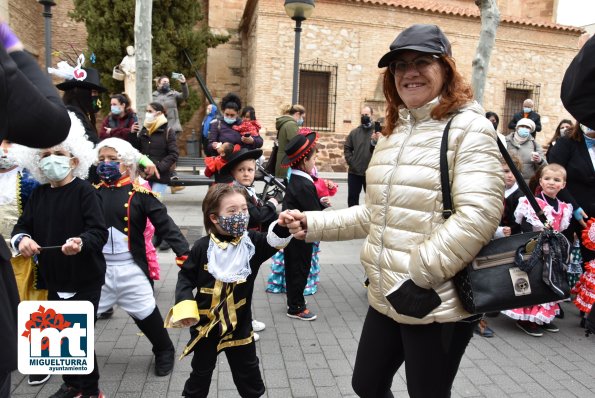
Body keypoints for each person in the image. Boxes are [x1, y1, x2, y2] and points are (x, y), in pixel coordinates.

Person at [280, 24, 505, 397]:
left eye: (422, 62)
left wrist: (418, 274)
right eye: (400, 65)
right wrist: (312, 223)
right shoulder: (395, 132)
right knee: (366, 384)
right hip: (387, 293)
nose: (409, 72)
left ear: (446, 69)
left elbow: (478, 215)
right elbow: (376, 214)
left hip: (435, 300)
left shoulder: (470, 128)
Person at [11, 112, 108, 398]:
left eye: (59, 153)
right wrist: (22, 239)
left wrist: (81, 242)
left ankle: (90, 391)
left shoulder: (85, 192)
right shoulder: (39, 195)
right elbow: (22, 225)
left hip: (85, 278)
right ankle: (71, 384)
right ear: (37, 162)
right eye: (45, 155)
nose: (52, 159)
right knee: (58, 338)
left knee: (79, 338)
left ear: (75, 159)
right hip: (53, 279)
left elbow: (98, 231)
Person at [164, 184, 292, 398]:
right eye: (232, 211)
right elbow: (186, 277)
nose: (241, 215)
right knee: (200, 376)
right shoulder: (202, 247)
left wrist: (283, 224)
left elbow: (274, 240)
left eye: (244, 209)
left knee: (249, 375)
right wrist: (185, 305)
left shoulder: (252, 244)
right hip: (206, 329)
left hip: (239, 327)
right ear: (215, 218)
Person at [0, 20, 70, 398]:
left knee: (37, 308)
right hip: (13, 259)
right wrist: (13, 50)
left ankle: (42, 362)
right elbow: (49, 122)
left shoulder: (32, 184)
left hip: (38, 264)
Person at [94, 138, 190, 376]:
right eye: (102, 159)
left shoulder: (140, 194)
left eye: (113, 160)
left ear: (126, 163)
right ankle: (77, 358)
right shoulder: (90, 193)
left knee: (146, 313)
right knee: (84, 316)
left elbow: (166, 225)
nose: (106, 164)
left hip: (131, 268)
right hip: (97, 270)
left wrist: (185, 253)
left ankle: (164, 349)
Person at [501, 164, 572, 336]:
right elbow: (523, 225)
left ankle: (541, 317)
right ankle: (525, 319)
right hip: (535, 250)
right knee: (533, 282)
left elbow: (561, 230)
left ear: (563, 184)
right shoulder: (532, 202)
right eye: (547, 179)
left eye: (556, 180)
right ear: (540, 181)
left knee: (548, 283)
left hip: (552, 253)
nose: (551, 183)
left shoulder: (563, 207)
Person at [219, 148, 280, 341]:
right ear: (233, 173)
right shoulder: (236, 192)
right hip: (239, 246)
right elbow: (257, 216)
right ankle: (239, 327)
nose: (246, 173)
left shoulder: (247, 190)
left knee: (248, 285)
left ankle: (247, 319)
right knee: (241, 287)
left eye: (250, 170)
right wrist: (272, 202)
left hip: (250, 244)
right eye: (241, 170)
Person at [279, 132, 326, 320]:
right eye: (314, 158)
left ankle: (295, 302)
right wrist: (320, 206)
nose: (315, 162)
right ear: (304, 160)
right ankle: (296, 307)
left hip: (296, 234)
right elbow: (312, 213)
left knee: (296, 268)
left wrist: (320, 203)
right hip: (298, 236)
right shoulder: (303, 184)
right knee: (299, 269)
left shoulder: (299, 180)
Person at [131, 102, 179, 195]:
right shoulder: (145, 129)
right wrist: (132, 134)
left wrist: (157, 168)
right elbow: (137, 149)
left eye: (150, 111)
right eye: (147, 111)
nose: (147, 114)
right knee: (141, 206)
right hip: (143, 175)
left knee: (154, 205)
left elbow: (173, 154)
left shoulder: (168, 131)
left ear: (159, 113)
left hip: (159, 177)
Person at [56, 67, 107, 145]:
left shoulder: (82, 114)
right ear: (81, 92)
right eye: (93, 92)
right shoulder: (73, 116)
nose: (96, 96)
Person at [344, 106, 376, 207]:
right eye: (362, 115)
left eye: (366, 115)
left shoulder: (378, 133)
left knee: (372, 200)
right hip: (354, 172)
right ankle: (352, 221)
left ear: (372, 115)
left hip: (371, 173)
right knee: (352, 200)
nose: (364, 117)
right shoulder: (354, 132)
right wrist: (351, 161)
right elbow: (347, 148)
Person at [505, 118, 547, 185]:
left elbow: (545, 167)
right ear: (517, 128)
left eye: (527, 127)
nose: (524, 128)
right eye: (522, 126)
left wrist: (539, 161)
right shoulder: (505, 141)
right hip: (507, 184)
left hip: (526, 186)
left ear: (530, 130)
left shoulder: (535, 145)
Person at [274, 104, 306, 178]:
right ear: (298, 114)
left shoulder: (286, 123)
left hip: (283, 160)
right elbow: (296, 143)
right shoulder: (291, 124)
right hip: (286, 162)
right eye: (302, 117)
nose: (302, 120)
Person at [119, 45, 136, 110]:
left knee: (135, 90)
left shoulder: (136, 58)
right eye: (128, 50)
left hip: (135, 77)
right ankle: (129, 104)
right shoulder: (126, 58)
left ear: (133, 50)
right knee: (129, 91)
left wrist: (134, 70)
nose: (130, 51)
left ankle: (135, 105)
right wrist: (126, 72)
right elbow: (122, 66)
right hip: (128, 77)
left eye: (131, 50)